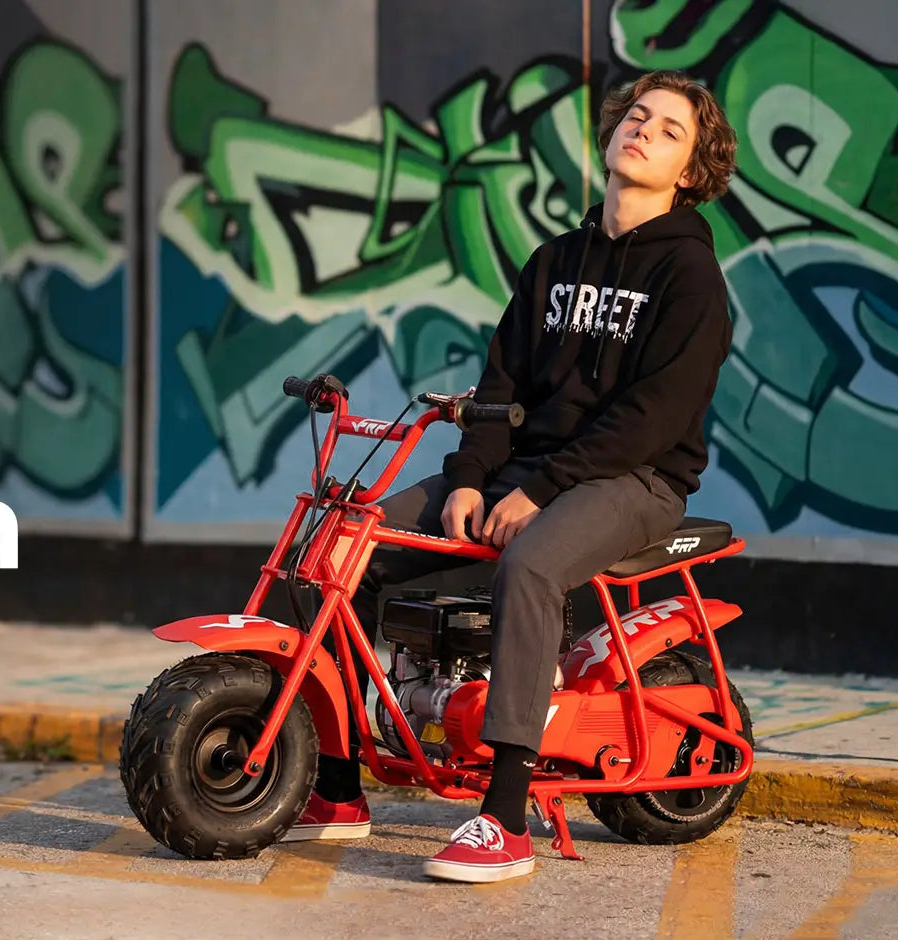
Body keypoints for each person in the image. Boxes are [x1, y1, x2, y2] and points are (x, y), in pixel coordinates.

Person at [276, 70, 740, 884]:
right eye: (636, 116)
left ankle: (504, 816)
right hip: (529, 469)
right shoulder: (555, 260)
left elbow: (651, 420)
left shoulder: (691, 279)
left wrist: (538, 489)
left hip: (637, 481)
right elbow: (501, 389)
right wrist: (468, 477)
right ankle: (342, 786)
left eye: (669, 130)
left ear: (693, 174)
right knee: (339, 550)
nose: (642, 131)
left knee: (530, 567)